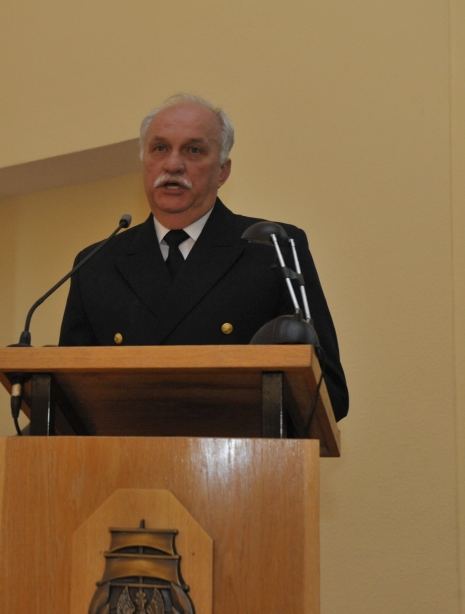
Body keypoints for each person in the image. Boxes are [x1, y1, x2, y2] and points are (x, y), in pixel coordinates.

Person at [59, 94, 349, 420]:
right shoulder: (96, 263)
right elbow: (67, 398)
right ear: (144, 162)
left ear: (223, 171)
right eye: (160, 148)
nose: (172, 164)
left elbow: (328, 392)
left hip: (237, 452)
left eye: (193, 150)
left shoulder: (271, 248)